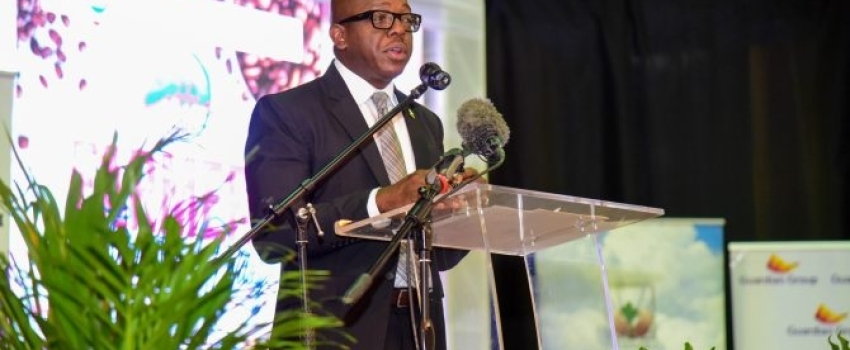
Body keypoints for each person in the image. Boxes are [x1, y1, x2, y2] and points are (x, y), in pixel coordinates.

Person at [243, 0, 475, 348]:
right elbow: (274, 235)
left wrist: (463, 211)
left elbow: (438, 255)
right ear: (340, 35)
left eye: (405, 19)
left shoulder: (425, 123)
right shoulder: (289, 113)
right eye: (381, 18)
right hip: (334, 329)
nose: (398, 29)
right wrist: (382, 201)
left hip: (419, 328)